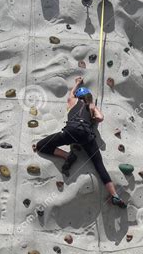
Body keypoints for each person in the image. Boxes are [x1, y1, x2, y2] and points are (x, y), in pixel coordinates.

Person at [34, 77, 127, 208]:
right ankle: (114, 196)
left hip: (71, 132)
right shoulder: (91, 106)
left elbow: (71, 94)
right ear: (89, 97)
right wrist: (93, 112)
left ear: (78, 96)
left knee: (41, 146)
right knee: (99, 166)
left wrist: (77, 83)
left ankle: (67, 156)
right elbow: (101, 118)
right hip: (86, 136)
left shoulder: (73, 101)